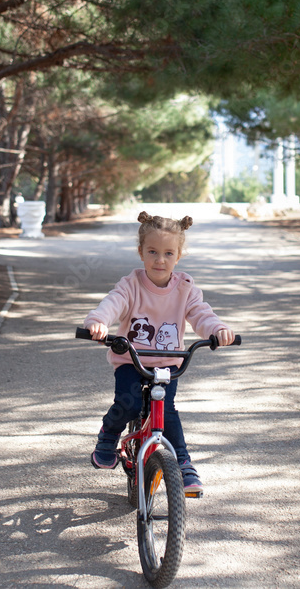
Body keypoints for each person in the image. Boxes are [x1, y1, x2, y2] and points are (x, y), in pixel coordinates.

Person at [84, 211, 235, 497]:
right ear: (141, 252)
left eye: (168, 253)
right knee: (127, 404)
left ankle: (182, 463)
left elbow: (201, 315)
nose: (160, 260)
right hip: (133, 360)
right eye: (152, 251)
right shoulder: (132, 284)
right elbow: (113, 303)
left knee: (167, 413)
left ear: (178, 256)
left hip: (167, 365)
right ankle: (108, 436)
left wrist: (218, 330)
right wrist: (99, 321)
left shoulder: (186, 289)